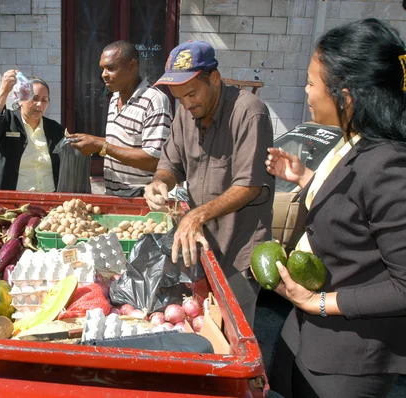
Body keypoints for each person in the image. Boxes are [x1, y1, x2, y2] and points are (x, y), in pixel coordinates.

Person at [265, 18, 406, 398]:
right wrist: (306, 179)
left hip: (350, 359)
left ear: (345, 96)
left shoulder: (390, 165)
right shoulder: (355, 144)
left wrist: (319, 301)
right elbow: (353, 210)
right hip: (308, 338)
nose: (306, 92)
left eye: (312, 83)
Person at [144, 41, 274, 327]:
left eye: (191, 93)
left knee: (232, 330)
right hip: (200, 246)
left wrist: (197, 215)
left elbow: (249, 185)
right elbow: (171, 163)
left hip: (237, 248)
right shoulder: (186, 112)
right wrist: (159, 182)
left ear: (214, 79)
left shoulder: (250, 113)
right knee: (198, 323)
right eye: (179, 97)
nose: (187, 103)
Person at [69, 40, 172, 197]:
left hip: (142, 199)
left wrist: (101, 145)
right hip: (114, 196)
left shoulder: (155, 100)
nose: (103, 74)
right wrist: (91, 141)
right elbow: (122, 143)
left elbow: (154, 160)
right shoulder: (114, 98)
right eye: (102, 68)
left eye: (110, 68)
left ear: (132, 66)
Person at [0, 70, 64, 191]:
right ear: (20, 99)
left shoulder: (55, 128)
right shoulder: (8, 121)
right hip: (12, 199)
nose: (39, 104)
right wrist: (4, 89)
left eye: (44, 100)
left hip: (48, 198)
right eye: (35, 98)